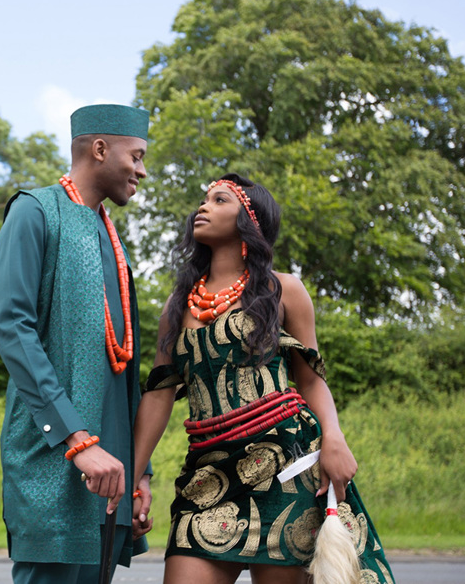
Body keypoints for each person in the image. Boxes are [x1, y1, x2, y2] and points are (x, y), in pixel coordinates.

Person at [132, 174, 395, 584]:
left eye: (219, 200)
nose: (203, 207)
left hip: (287, 468)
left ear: (249, 221)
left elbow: (310, 380)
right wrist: (135, 477)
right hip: (207, 475)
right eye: (204, 199)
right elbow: (159, 394)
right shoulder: (178, 304)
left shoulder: (283, 290)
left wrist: (335, 439)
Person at [0, 104, 155, 584]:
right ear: (100, 149)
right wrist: (75, 439)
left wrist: (141, 472)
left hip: (112, 477)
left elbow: (122, 360)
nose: (142, 171)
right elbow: (14, 331)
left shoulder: (111, 236)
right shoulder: (34, 211)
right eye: (137, 156)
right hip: (54, 463)